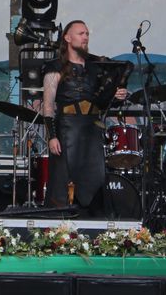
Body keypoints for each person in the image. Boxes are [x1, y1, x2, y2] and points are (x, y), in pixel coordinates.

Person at [41, 20, 129, 213]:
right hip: (66, 129)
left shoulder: (95, 67)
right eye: (81, 33)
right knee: (62, 181)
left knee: (94, 179)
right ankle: (61, 222)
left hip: (92, 129)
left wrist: (116, 96)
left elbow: (102, 103)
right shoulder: (55, 67)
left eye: (87, 34)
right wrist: (52, 136)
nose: (85, 37)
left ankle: (93, 219)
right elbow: (48, 105)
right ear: (67, 37)